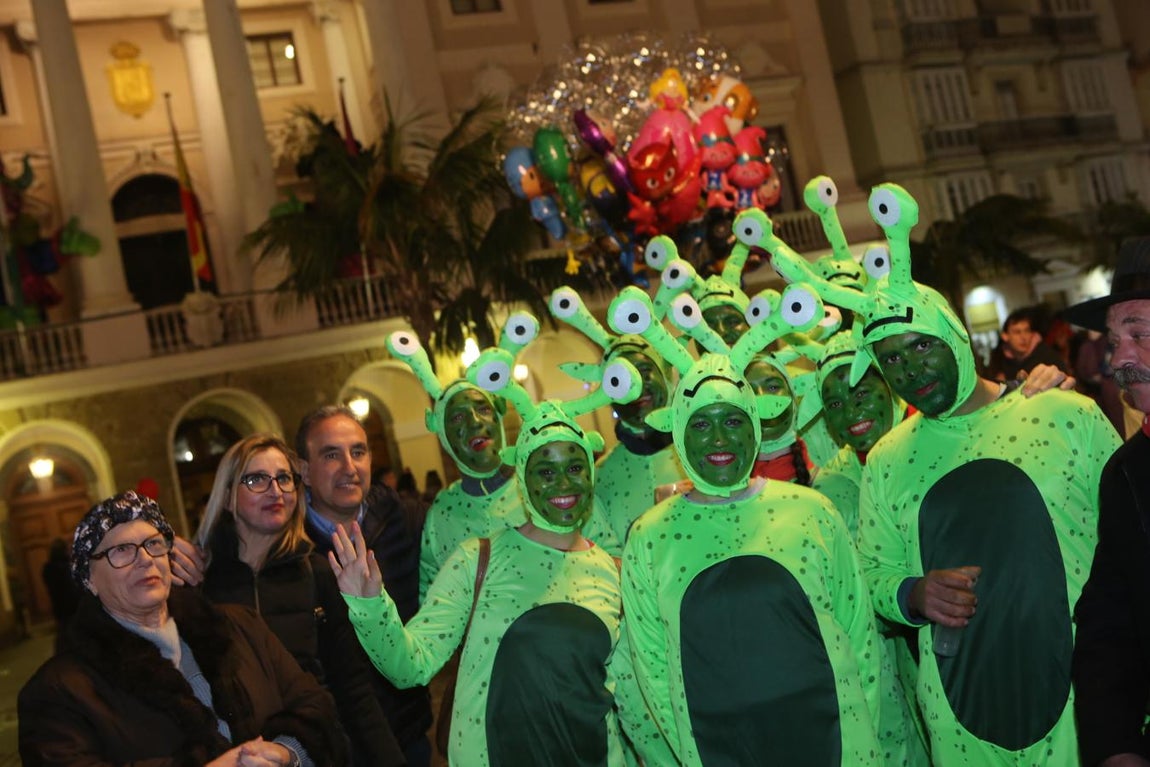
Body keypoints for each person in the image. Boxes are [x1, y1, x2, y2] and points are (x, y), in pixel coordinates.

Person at [766, 183, 1121, 765]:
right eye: (892, 360)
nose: (910, 371)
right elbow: (875, 576)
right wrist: (913, 592)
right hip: (961, 721)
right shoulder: (888, 457)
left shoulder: (1064, 412)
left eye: (919, 347)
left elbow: (1132, 543)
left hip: (1085, 702)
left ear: (954, 332)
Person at [329, 353, 664, 766]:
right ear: (523, 478)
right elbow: (409, 666)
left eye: (575, 467)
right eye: (545, 471)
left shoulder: (610, 572)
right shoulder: (476, 559)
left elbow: (632, 699)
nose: (563, 484)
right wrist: (369, 604)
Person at [613, 284, 882, 764]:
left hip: (836, 743)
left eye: (733, 421)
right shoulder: (650, 537)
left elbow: (859, 637)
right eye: (700, 424)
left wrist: (862, 738)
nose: (718, 438)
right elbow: (654, 669)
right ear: (678, 432)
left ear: (756, 426)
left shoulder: (812, 511)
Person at [18, 490, 346, 766]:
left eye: (153, 544)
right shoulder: (59, 691)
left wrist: (288, 752)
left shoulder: (238, 627)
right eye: (121, 550)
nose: (145, 559)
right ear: (89, 579)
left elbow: (315, 706)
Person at [194, 434, 406, 766]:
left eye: (284, 479)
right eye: (256, 479)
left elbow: (353, 690)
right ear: (227, 496)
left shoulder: (319, 573)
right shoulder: (200, 582)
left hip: (315, 751)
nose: (275, 490)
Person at [294, 406, 432, 766]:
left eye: (358, 452)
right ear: (304, 470)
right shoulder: (290, 546)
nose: (349, 467)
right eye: (331, 455)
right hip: (339, 749)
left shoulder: (405, 520)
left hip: (409, 734)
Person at [1067, 236, 1150, 766]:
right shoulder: (1126, 473)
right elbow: (1107, 626)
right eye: (1113, 341)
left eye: (1137, 334)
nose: (1119, 359)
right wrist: (1117, 747)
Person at [997, 306, 1069, 380]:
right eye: (1017, 332)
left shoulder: (1047, 356)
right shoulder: (998, 359)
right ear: (1005, 336)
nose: (1023, 337)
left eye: (1027, 331)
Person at [40, 537, 78, 653]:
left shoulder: (47, 569)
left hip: (59, 608)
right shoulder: (68, 567)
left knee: (64, 635)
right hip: (74, 607)